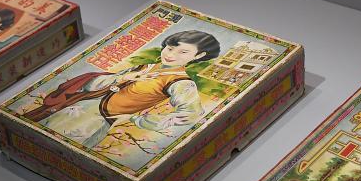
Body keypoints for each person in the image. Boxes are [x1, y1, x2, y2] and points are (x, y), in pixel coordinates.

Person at [23, 30, 220, 150]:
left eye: (183, 52)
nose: (171, 55)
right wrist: (123, 77)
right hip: (74, 106)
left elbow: (191, 114)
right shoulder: (145, 67)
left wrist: (136, 120)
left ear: (198, 56)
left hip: (93, 122)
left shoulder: (180, 82)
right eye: (169, 48)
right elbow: (91, 85)